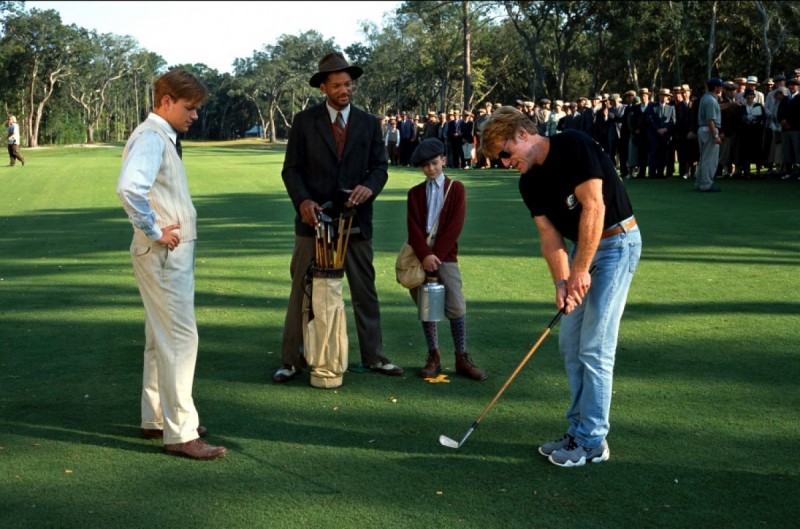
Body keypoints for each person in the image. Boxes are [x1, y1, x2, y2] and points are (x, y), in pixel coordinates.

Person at [480, 107, 641, 468]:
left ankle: (593, 440)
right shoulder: (528, 181)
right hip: (580, 249)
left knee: (595, 346)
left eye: (505, 152)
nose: (505, 163)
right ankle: (577, 431)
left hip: (617, 244)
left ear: (522, 135)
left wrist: (579, 271)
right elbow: (550, 236)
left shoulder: (573, 145)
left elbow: (594, 207)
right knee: (570, 344)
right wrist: (561, 281)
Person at [116, 69, 227, 460]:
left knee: (159, 336)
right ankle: (180, 432)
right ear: (166, 102)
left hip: (166, 252)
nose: (195, 115)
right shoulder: (151, 137)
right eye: (190, 107)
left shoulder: (160, 136)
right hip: (164, 252)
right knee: (180, 338)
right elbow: (130, 188)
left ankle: (157, 418)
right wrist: (154, 230)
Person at [276, 52, 404, 383]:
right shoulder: (304, 122)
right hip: (312, 221)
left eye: (348, 84)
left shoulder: (369, 123)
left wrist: (369, 188)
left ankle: (374, 356)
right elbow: (291, 170)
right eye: (337, 85)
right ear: (323, 87)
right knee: (301, 290)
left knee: (365, 290)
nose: (344, 90)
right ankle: (291, 360)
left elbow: (380, 167)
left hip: (356, 221)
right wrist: (303, 201)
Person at [405, 138, 487, 381]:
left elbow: (454, 227)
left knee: (456, 304)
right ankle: (434, 355)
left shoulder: (456, 189)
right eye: (425, 165)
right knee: (427, 306)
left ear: (443, 160)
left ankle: (461, 356)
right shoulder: (415, 193)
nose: (430, 169)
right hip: (420, 255)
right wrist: (425, 255)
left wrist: (436, 256)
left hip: (445, 255)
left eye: (434, 163)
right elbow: (413, 228)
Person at [696, 77, 724, 192]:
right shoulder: (711, 100)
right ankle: (706, 184)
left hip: (703, 130)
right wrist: (715, 136)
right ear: (716, 87)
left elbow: (717, 108)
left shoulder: (706, 97)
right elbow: (710, 120)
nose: (721, 89)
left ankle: (700, 182)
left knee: (703, 158)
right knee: (710, 159)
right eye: (720, 87)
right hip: (709, 130)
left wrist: (731, 104)